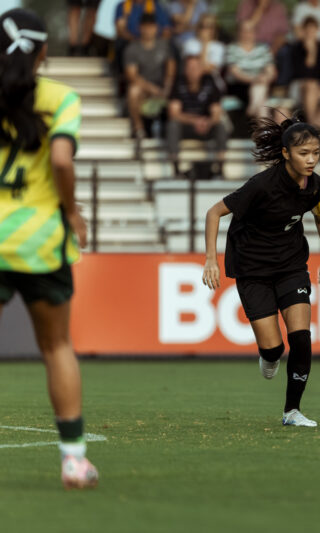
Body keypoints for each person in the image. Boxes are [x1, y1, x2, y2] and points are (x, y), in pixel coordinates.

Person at [0, 8, 97, 488]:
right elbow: (61, 160)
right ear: (43, 52)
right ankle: (73, 461)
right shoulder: (61, 97)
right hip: (41, 242)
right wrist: (72, 211)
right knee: (57, 346)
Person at [202, 115, 320, 426]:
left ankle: (292, 411)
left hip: (291, 265)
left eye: (316, 153)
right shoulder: (262, 185)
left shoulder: (315, 185)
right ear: (286, 153)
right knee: (274, 348)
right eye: (304, 153)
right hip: (253, 269)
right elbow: (214, 212)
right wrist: (211, 259)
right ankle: (269, 354)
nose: (311, 160)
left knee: (301, 338)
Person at [166, 55, 228, 179]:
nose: (192, 71)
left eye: (195, 68)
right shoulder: (178, 82)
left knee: (221, 126)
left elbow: (216, 112)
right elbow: (173, 113)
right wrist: (195, 121)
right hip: (186, 127)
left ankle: (220, 168)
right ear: (185, 69)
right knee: (172, 126)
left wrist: (208, 122)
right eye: (189, 68)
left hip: (206, 126)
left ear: (201, 69)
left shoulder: (210, 82)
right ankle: (176, 168)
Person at [124, 13, 175, 142]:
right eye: (145, 27)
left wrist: (166, 88)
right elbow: (132, 76)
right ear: (140, 28)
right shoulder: (132, 48)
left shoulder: (164, 45)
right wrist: (152, 89)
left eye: (151, 27)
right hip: (144, 88)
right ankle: (139, 129)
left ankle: (172, 132)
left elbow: (171, 70)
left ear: (157, 28)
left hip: (163, 86)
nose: (148, 30)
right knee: (133, 91)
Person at [289, 17, 320, 124]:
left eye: (313, 31)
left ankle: (314, 126)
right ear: (303, 31)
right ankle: (313, 124)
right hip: (300, 87)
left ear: (317, 31)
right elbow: (300, 74)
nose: (310, 34)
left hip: (319, 88)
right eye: (308, 31)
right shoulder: (296, 48)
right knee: (311, 85)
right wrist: (311, 54)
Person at [226, 21, 276, 119]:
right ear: (238, 32)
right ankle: (255, 111)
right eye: (244, 31)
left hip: (261, 84)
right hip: (240, 86)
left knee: (260, 90)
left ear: (255, 32)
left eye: (250, 31)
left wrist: (265, 78)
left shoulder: (263, 48)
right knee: (262, 99)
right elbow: (235, 72)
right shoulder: (232, 48)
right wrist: (255, 79)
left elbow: (271, 71)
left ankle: (253, 108)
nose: (247, 34)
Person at [183, 13, 225, 78]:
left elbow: (209, 69)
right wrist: (204, 44)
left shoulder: (219, 47)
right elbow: (192, 69)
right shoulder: (190, 44)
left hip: (211, 79)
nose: (205, 29)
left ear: (215, 29)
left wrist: (205, 43)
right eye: (202, 26)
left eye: (210, 26)